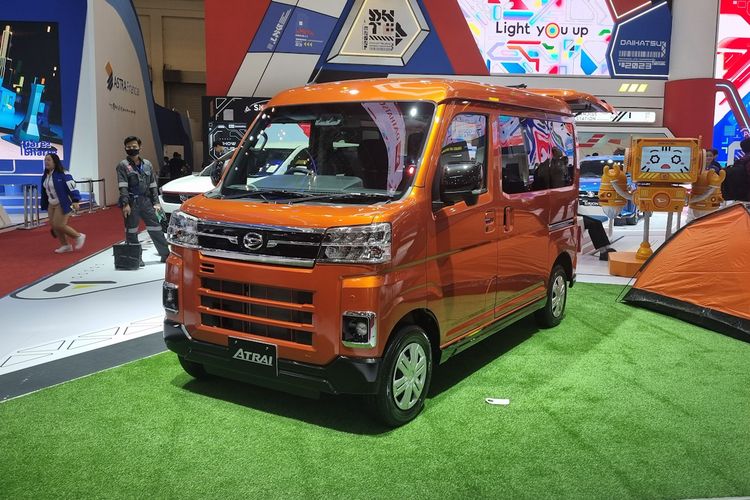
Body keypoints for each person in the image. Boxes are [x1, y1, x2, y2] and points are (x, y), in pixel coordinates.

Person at [117, 136, 170, 264]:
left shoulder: (147, 164)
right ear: (125, 148)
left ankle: (165, 255)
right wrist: (125, 204)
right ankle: (135, 259)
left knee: (156, 227)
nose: (131, 149)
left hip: (146, 201)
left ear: (140, 147)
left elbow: (153, 184)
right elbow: (123, 186)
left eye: (134, 146)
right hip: (131, 202)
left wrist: (156, 202)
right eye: (128, 147)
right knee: (131, 231)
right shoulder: (122, 165)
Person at [40, 153, 86, 253]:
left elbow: (72, 187)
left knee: (59, 225)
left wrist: (75, 200)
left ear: (55, 162)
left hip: (62, 203)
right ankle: (66, 245)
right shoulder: (45, 175)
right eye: (45, 160)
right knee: (54, 226)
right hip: (51, 204)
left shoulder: (64, 174)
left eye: (48, 160)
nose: (46, 162)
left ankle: (78, 236)